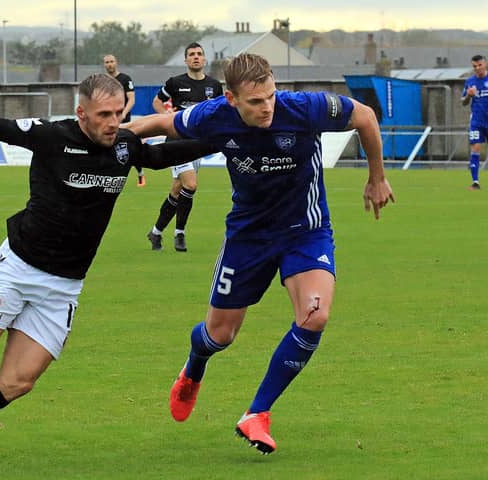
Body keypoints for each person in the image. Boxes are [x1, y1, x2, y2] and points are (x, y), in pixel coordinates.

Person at [0, 75, 216, 469]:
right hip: (18, 268)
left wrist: (232, 138)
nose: (113, 122)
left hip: (64, 287)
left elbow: (158, 157)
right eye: (104, 114)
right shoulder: (51, 137)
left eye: (119, 113)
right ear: (81, 112)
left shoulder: (123, 144)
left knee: (18, 382)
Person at [127, 53, 394, 455]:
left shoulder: (306, 107)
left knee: (315, 315)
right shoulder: (212, 115)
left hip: (306, 232)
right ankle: (193, 367)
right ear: (232, 99)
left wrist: (377, 176)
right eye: (255, 101)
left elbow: (366, 117)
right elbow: (163, 123)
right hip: (248, 237)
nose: (266, 106)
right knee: (220, 336)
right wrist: (111, 134)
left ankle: (258, 413)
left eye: (270, 96)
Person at [146, 42, 223, 252]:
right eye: (192, 54)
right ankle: (179, 234)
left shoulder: (215, 86)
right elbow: (157, 102)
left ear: (204, 59)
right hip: (177, 142)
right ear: (186, 60)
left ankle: (156, 232)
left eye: (199, 54)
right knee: (190, 185)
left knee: (177, 190)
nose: (196, 57)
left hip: (198, 144)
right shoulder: (175, 82)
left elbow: (218, 112)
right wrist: (168, 118)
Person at [103, 53, 146, 187]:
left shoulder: (125, 79)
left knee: (130, 148)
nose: (109, 64)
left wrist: (123, 114)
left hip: (124, 121)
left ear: (116, 63)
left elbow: (131, 99)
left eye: (111, 61)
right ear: (104, 65)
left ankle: (140, 173)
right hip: (108, 120)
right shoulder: (103, 81)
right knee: (106, 147)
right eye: (107, 62)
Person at [461, 54, 488, 190]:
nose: (477, 68)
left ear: (485, 64)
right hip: (477, 121)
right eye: (474, 66)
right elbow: (463, 102)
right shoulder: (470, 82)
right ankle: (475, 182)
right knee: (475, 148)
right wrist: (468, 95)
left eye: (479, 65)